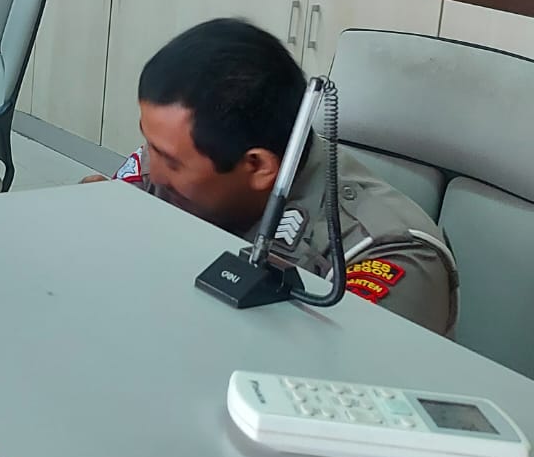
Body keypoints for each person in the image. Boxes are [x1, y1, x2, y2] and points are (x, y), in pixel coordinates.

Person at [96, 18, 458, 336]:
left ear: (258, 167)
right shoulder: (179, 160)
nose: (154, 171)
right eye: (150, 144)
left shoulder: (388, 253)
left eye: (171, 161)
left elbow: (333, 376)